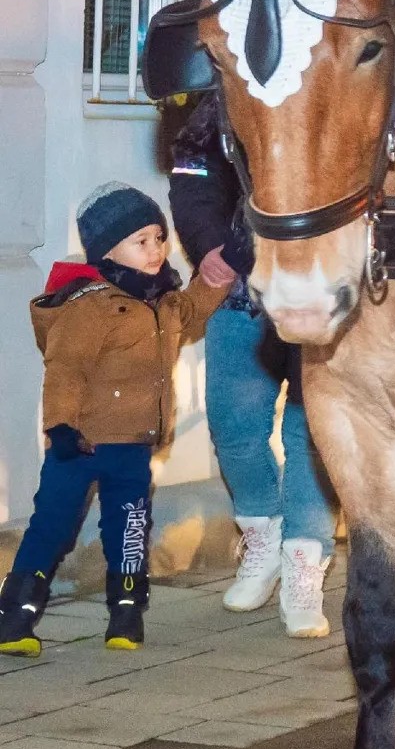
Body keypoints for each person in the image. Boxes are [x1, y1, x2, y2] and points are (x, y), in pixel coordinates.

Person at [0, 184, 230, 655]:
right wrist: (60, 427)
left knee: (128, 529)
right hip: (79, 445)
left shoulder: (164, 300)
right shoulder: (89, 305)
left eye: (158, 238)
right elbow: (65, 369)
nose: (155, 250)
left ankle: (126, 616)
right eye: (140, 241)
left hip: (132, 445)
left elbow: (193, 311)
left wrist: (217, 277)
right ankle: (15, 620)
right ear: (108, 248)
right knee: (53, 528)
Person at [170, 92, 337, 638]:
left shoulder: (342, 84)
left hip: (321, 291)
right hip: (242, 291)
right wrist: (210, 245)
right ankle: (263, 537)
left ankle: (304, 563)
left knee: (311, 435)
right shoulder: (229, 94)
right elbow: (192, 168)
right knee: (234, 428)